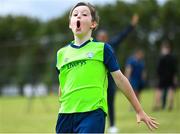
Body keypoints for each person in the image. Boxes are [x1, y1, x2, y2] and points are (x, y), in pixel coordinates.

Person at [55, 2, 159, 133]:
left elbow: (120, 80)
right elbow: (62, 84)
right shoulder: (61, 54)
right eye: (75, 15)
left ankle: (113, 124)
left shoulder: (103, 49)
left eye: (84, 14)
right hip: (65, 115)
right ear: (70, 24)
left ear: (93, 24)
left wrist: (139, 110)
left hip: (92, 113)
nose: (79, 17)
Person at [96, 14, 139, 133]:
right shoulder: (93, 48)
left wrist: (132, 25)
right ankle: (99, 125)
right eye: (100, 37)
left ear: (106, 38)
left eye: (104, 37)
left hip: (110, 80)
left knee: (110, 103)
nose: (102, 39)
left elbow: (122, 35)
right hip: (97, 82)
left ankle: (113, 125)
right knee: (96, 105)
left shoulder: (111, 45)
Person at [154, 40, 178, 111]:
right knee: (171, 90)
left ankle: (157, 105)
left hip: (162, 77)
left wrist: (158, 76)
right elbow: (175, 70)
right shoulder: (173, 58)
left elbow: (158, 69)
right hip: (170, 77)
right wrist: (175, 78)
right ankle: (170, 105)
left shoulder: (161, 58)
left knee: (159, 90)